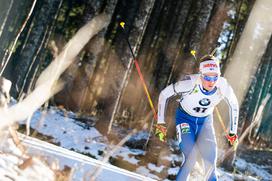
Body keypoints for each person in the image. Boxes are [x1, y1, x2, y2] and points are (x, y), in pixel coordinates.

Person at [155, 55, 239, 181]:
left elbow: (234, 105)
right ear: (201, 74)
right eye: (207, 77)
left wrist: (233, 132)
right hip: (185, 119)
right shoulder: (189, 84)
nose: (211, 81)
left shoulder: (223, 85)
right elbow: (164, 94)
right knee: (191, 158)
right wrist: (160, 123)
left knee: (210, 164)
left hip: (205, 123)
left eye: (215, 76)